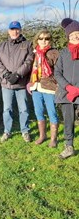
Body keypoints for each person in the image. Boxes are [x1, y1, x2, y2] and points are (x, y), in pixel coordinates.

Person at [0, 21, 34, 143]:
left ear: (20, 30)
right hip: (6, 84)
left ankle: (25, 131)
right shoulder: (1, 46)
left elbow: (29, 60)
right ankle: (7, 131)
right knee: (7, 109)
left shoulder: (27, 44)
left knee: (24, 109)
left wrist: (17, 74)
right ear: (8, 31)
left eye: (17, 29)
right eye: (12, 29)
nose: (14, 32)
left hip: (21, 83)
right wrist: (6, 74)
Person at [27, 29, 59, 147]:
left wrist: (58, 85)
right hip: (36, 86)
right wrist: (30, 83)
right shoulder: (35, 52)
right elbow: (32, 69)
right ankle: (42, 135)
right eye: (41, 38)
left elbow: (59, 71)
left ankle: (53, 139)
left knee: (52, 112)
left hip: (49, 87)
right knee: (38, 112)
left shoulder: (54, 53)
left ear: (50, 40)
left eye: (46, 39)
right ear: (37, 39)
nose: (43, 41)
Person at [54, 18, 79, 159]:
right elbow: (57, 72)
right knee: (68, 122)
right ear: (68, 37)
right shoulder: (63, 53)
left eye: (77, 33)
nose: (75, 36)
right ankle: (69, 147)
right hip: (67, 93)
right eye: (72, 34)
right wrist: (68, 87)